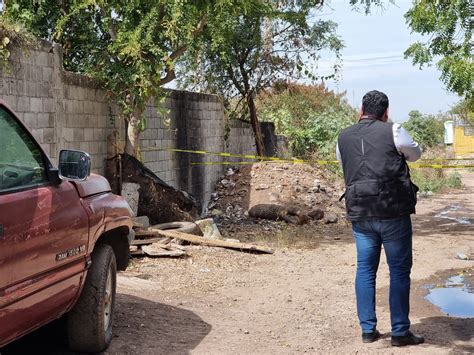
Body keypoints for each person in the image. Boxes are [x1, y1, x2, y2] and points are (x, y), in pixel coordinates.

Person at [336, 90, 424, 347]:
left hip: (361, 212)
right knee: (398, 271)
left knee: (365, 269)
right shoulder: (394, 130)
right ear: (386, 112)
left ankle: (368, 330)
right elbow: (414, 154)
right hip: (392, 212)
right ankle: (399, 332)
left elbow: (345, 162)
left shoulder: (342, 136)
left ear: (361, 111)